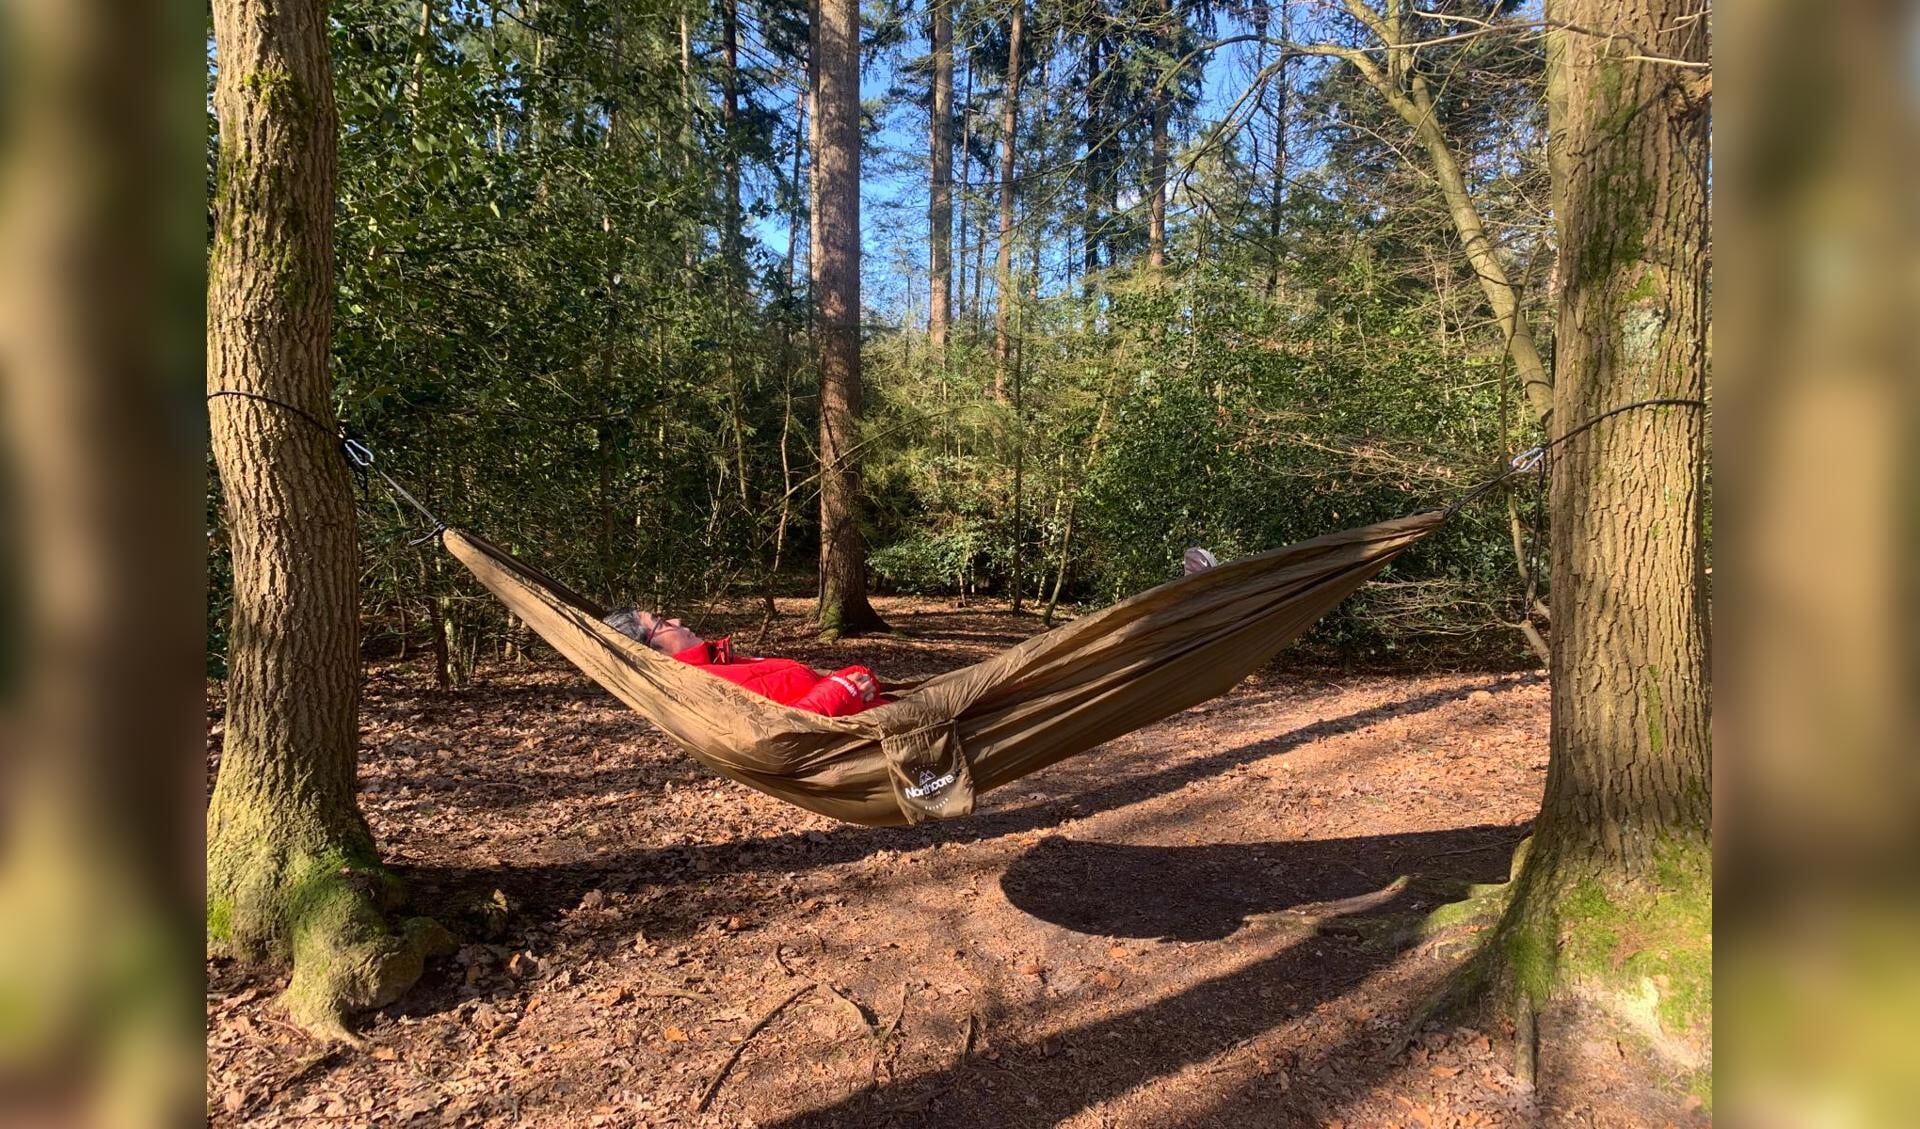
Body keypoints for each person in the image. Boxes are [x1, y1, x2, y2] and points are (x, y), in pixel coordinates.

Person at [601, 608, 884, 717]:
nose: (677, 621)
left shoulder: (718, 662)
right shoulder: (704, 686)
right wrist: (844, 689)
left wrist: (852, 680)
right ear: (653, 652)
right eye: (661, 623)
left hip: (873, 716)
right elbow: (780, 735)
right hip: (873, 734)